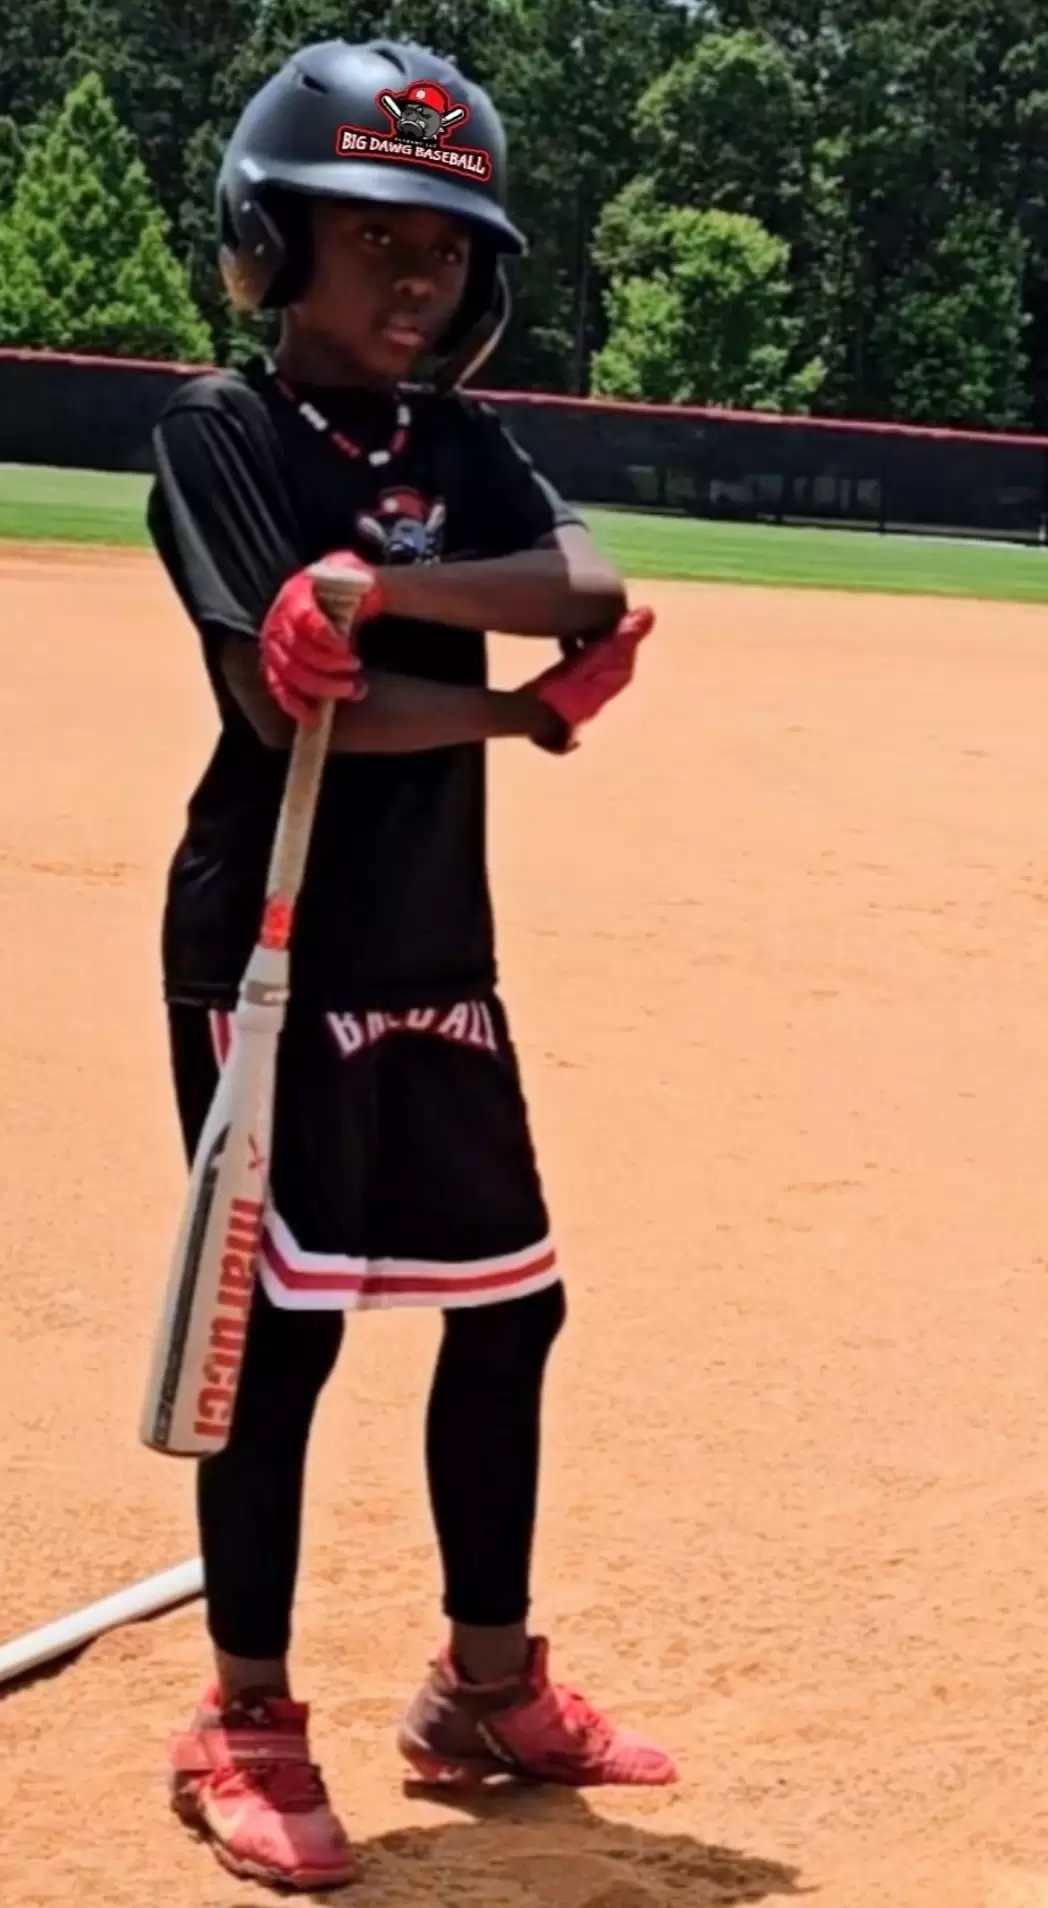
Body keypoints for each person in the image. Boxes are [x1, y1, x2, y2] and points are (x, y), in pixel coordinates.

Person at [149, 36, 674, 1894]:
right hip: (270, 942)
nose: (416, 277)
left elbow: (582, 581)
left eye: (445, 248)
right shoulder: (215, 433)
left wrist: (385, 592)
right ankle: (244, 1719)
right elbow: (299, 710)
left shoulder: (455, 440)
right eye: (371, 235)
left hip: (438, 943)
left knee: (509, 1309)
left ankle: (485, 1687)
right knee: (274, 1341)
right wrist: (502, 704)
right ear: (269, 242)